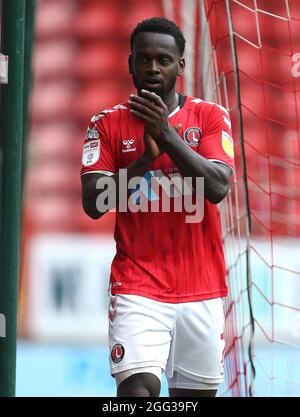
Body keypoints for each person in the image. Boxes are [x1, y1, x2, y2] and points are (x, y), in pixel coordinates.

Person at [81, 17, 234, 397]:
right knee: (137, 394)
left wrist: (167, 137)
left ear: (180, 65)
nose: (153, 68)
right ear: (130, 63)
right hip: (138, 286)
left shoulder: (210, 117)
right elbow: (94, 203)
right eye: (144, 59)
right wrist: (141, 163)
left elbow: (217, 187)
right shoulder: (106, 124)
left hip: (202, 288)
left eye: (163, 60)